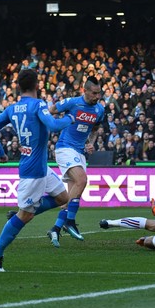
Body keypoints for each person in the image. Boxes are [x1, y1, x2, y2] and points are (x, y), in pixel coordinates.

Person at [0, 69, 75, 272]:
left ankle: (25, 211)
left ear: (19, 86)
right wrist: (70, 119)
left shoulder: (12, 109)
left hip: (40, 167)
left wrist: (0, 153)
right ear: (37, 85)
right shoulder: (38, 105)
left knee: (63, 198)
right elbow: (52, 125)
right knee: (25, 216)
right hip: (33, 171)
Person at [46, 76, 104, 246]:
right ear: (84, 91)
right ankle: (69, 221)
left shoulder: (99, 110)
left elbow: (94, 129)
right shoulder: (72, 102)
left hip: (79, 152)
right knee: (82, 180)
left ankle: (55, 228)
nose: (97, 96)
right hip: (64, 147)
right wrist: (52, 127)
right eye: (94, 93)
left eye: (99, 93)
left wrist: (90, 144)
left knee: (74, 193)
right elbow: (51, 111)